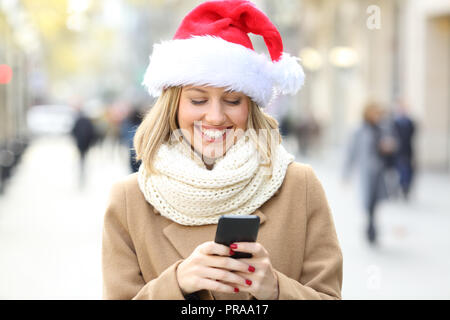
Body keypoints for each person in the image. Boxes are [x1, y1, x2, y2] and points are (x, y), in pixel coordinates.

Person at [102, 0, 342, 300]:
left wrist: (278, 290)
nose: (215, 117)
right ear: (173, 105)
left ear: (250, 106)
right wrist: (176, 284)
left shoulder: (299, 186)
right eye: (198, 100)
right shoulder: (129, 200)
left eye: (232, 101)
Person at [342, 102, 396, 245]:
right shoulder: (359, 130)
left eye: (378, 113)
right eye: (374, 112)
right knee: (368, 200)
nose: (377, 116)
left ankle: (372, 225)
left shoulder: (382, 129)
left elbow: (392, 145)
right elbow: (350, 153)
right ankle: (370, 227)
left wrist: (388, 147)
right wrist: (345, 174)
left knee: (376, 201)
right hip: (366, 172)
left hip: (380, 171)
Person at [71, 106, 97, 188]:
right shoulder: (88, 122)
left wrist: (76, 140)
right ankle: (82, 172)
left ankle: (81, 171)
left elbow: (73, 131)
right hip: (86, 144)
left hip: (80, 144)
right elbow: (93, 133)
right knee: (83, 158)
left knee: (81, 159)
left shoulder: (78, 121)